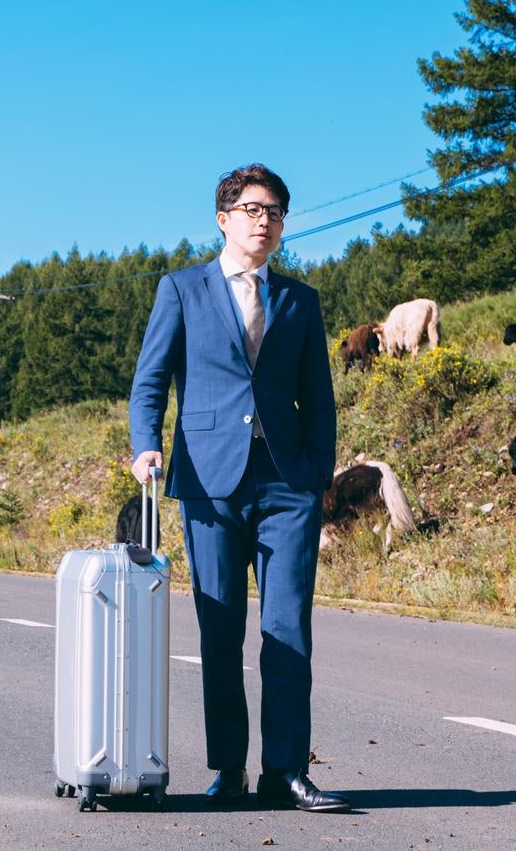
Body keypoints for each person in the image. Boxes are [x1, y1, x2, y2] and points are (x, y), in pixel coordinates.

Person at [128, 163, 348, 812]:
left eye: (275, 211)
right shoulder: (180, 289)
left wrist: (316, 476)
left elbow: (320, 398)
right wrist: (146, 445)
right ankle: (227, 769)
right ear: (223, 218)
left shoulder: (298, 300)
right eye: (253, 209)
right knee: (218, 629)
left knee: (287, 631)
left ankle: (285, 772)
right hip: (209, 482)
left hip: (286, 483)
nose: (265, 220)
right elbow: (150, 379)